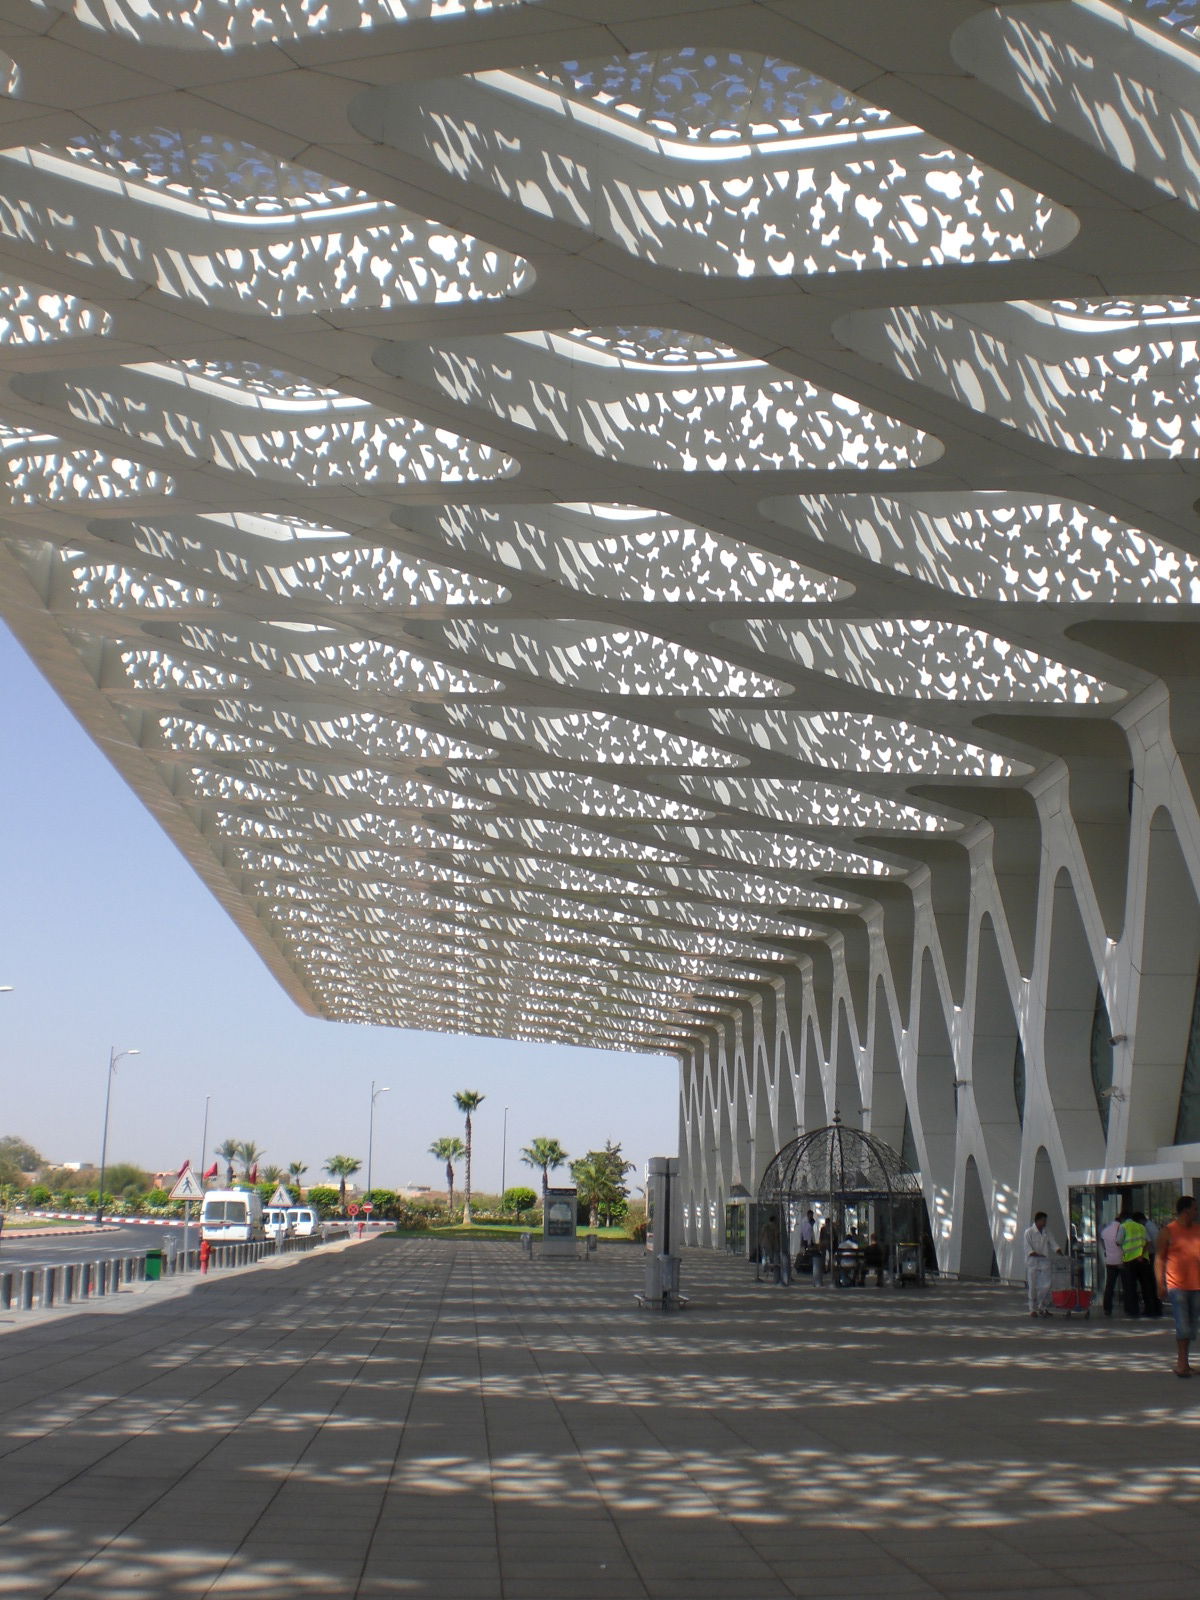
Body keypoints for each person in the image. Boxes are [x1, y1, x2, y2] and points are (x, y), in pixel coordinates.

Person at [1155, 1193, 1200, 1378]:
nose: (1197, 1211)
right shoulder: (1168, 1231)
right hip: (1177, 1286)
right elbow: (1159, 1258)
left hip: (1196, 1286)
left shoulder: (1198, 1230)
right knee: (1183, 1325)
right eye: (1195, 1208)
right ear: (1186, 1210)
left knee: (1191, 1326)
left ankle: (1186, 1363)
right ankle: (1181, 1364)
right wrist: (1160, 1284)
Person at [1119, 1210, 1153, 1317]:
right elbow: (1149, 1241)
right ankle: (1149, 1309)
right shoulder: (1141, 1227)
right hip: (1143, 1260)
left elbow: (1118, 1241)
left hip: (1130, 1260)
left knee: (1131, 1286)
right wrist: (1142, 1255)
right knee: (1146, 1286)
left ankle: (1133, 1310)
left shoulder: (1123, 1227)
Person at [1024, 1211, 1057, 1317]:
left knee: (1046, 1286)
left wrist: (1060, 1252)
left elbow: (1053, 1243)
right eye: (1043, 1220)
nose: (1045, 1222)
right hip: (1033, 1263)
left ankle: (1042, 1307)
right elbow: (1028, 1249)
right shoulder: (1029, 1232)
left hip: (1044, 1263)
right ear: (1037, 1220)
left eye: (1045, 1220)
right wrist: (1038, 1255)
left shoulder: (1047, 1232)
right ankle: (1032, 1309)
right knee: (1033, 1286)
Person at [1100, 1209, 1127, 1317]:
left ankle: (1107, 1308)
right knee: (1126, 1285)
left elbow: (1103, 1244)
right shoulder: (1122, 1228)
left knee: (1110, 1285)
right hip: (1122, 1260)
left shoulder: (1105, 1230)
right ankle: (1128, 1307)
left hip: (1110, 1261)